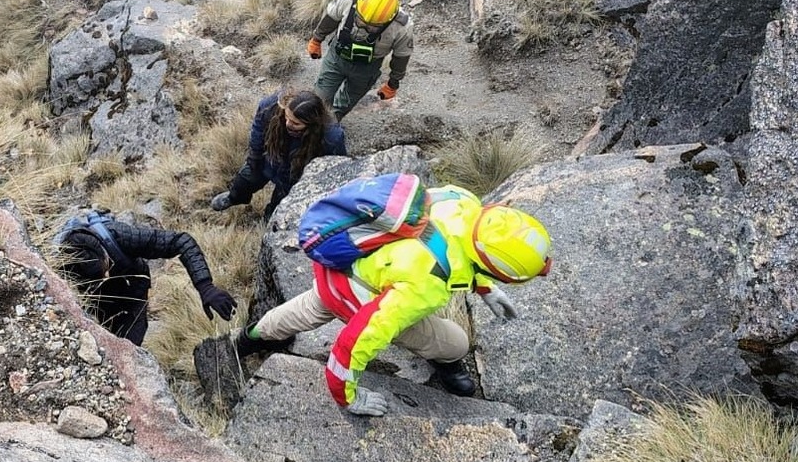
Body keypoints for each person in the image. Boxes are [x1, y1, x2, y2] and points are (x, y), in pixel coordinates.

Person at [236, 184, 552, 416]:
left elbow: (455, 245)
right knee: (455, 343)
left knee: (307, 309)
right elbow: (360, 337)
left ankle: (250, 338)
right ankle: (445, 365)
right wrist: (347, 396)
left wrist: (483, 288)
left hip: (337, 267)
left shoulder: (462, 200)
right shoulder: (426, 284)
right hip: (359, 298)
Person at [56, 216, 237, 346]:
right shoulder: (58, 266)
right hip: (97, 300)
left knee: (130, 346)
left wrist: (205, 287)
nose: (106, 275)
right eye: (99, 275)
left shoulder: (122, 236)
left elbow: (182, 241)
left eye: (107, 267)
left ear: (105, 250)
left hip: (133, 289)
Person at [210, 89, 347, 218]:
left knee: (279, 208)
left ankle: (269, 221)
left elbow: (335, 167)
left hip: (293, 176)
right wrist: (254, 156)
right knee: (242, 183)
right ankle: (234, 198)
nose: (288, 123)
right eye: (286, 117)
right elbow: (258, 129)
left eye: (296, 123)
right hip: (266, 159)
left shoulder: (331, 137)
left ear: (312, 124)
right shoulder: (271, 106)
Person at [307, 0, 415, 121]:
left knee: (346, 103)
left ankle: (331, 126)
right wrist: (316, 39)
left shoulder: (402, 27)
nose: (364, 28)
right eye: (360, 21)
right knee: (320, 99)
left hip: (367, 68)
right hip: (337, 58)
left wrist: (393, 84)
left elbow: (401, 57)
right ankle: (314, 123)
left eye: (372, 27)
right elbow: (331, 18)